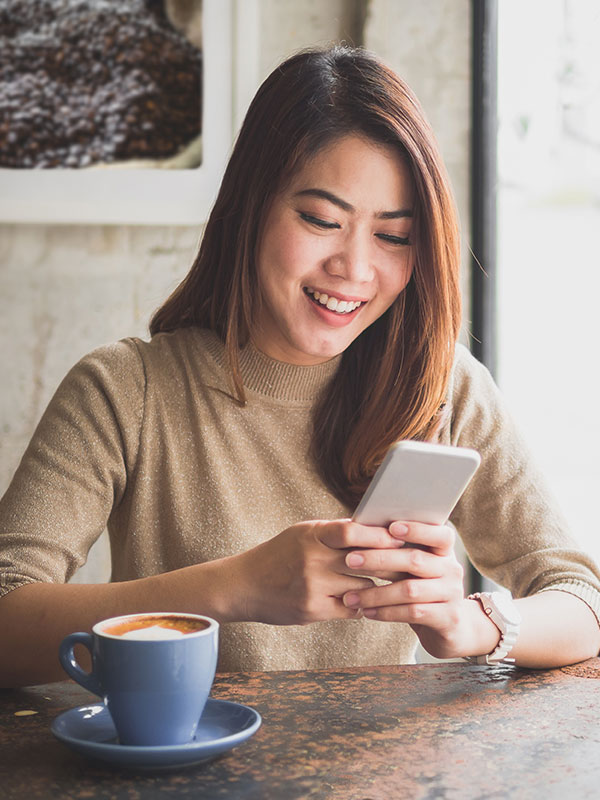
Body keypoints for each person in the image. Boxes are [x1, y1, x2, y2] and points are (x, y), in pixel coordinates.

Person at [1, 46, 599, 688]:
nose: (355, 269)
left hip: (386, 780)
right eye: (321, 220)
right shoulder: (125, 390)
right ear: (251, 206)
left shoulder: (441, 387)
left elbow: (581, 600)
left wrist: (471, 622)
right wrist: (237, 588)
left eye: (393, 236)